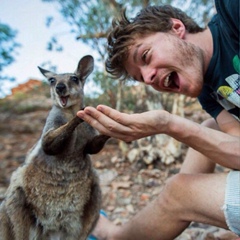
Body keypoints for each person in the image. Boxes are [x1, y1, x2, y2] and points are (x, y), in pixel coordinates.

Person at [78, 0, 240, 239]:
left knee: (180, 192)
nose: (149, 77)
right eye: (141, 78)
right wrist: (168, 125)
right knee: (209, 127)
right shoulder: (208, 92)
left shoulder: (231, 13)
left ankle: (114, 236)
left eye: (146, 55)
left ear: (176, 27)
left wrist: (168, 124)